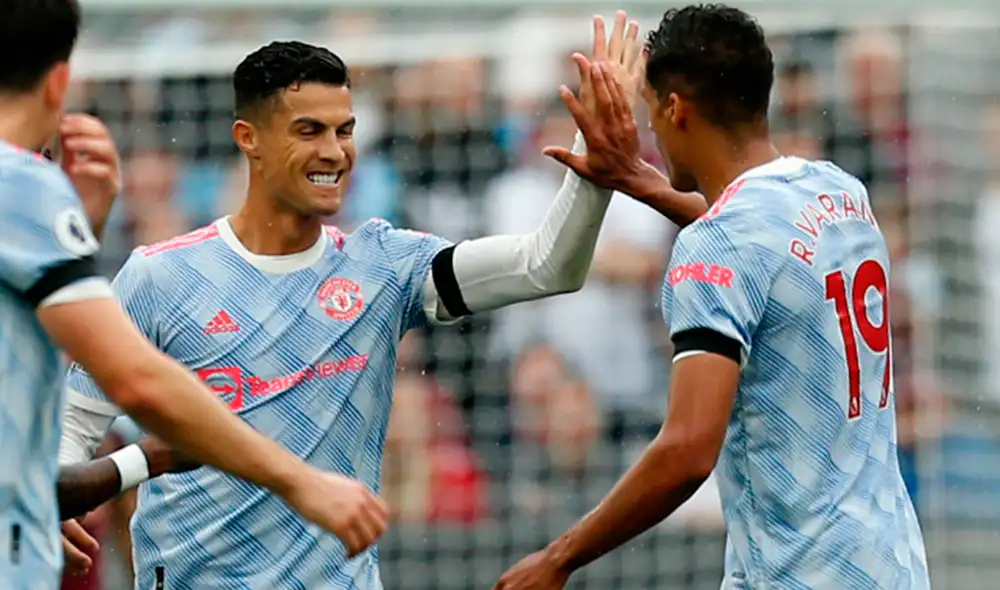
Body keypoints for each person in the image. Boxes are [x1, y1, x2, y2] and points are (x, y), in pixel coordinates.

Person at [55, 13, 663, 587]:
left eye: (344, 130)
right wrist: (59, 499)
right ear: (249, 139)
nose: (335, 152)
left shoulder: (384, 265)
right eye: (308, 131)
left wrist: (592, 168)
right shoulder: (161, 276)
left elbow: (545, 266)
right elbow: (77, 420)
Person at [493, 5, 929, 590]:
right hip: (890, 561)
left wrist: (559, 558)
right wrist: (638, 181)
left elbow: (688, 451)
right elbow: (762, 241)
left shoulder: (713, 249)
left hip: (798, 572)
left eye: (650, 111)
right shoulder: (836, 189)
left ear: (675, 109)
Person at [0, 1, 394, 587]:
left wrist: (82, 234)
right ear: (61, 80)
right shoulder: (22, 186)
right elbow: (139, 381)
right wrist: (299, 480)